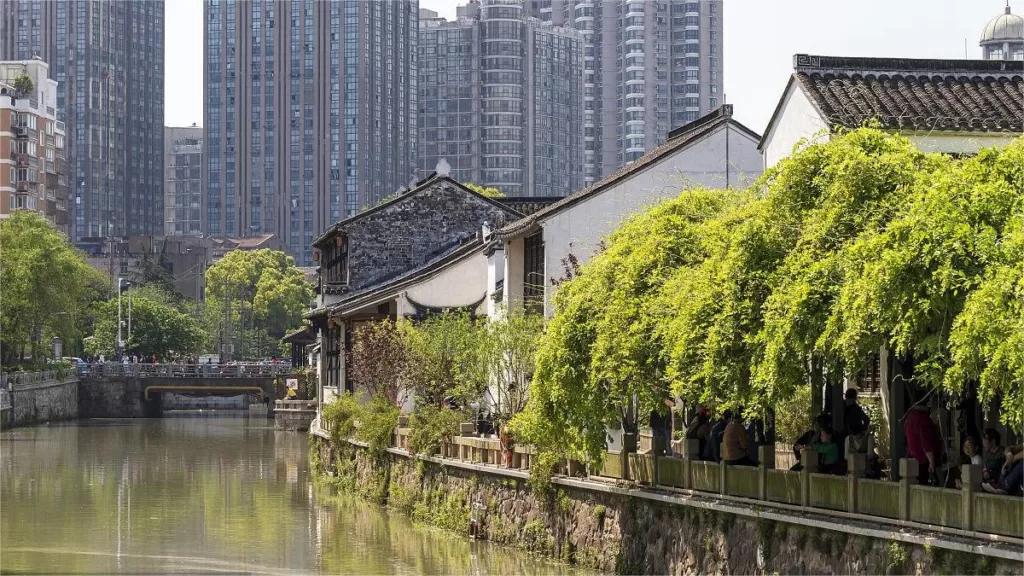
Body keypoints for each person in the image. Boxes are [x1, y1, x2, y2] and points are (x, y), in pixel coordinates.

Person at [904, 402, 940, 485]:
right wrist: (932, 461)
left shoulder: (909, 418)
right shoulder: (923, 419)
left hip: (911, 456)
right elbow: (926, 442)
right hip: (922, 460)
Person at [844, 388, 871, 454]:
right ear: (855, 398)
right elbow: (866, 419)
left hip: (855, 433)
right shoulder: (855, 408)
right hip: (849, 433)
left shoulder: (855, 408)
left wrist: (862, 430)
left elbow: (866, 419)